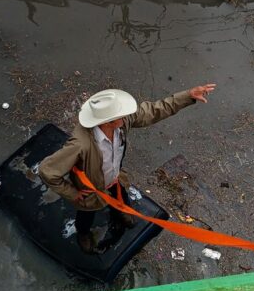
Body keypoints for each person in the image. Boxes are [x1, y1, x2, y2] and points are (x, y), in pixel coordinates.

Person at [39, 84, 216, 253]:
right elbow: (47, 171)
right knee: (86, 216)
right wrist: (73, 193)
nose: (128, 116)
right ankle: (83, 233)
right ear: (107, 121)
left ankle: (120, 213)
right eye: (121, 115)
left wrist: (188, 95)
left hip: (115, 180)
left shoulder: (120, 123)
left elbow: (154, 110)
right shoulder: (80, 144)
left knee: (121, 200)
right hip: (91, 192)